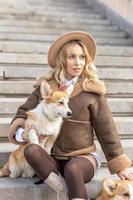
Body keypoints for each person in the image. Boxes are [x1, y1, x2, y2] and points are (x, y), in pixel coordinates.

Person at [8, 31, 133, 200]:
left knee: (73, 169)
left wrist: (120, 165)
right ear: (62, 60)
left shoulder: (92, 91)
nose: (78, 63)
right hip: (52, 159)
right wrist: (22, 133)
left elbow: (107, 130)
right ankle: (64, 190)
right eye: (72, 57)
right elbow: (22, 114)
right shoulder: (46, 89)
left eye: (82, 57)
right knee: (31, 150)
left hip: (84, 158)